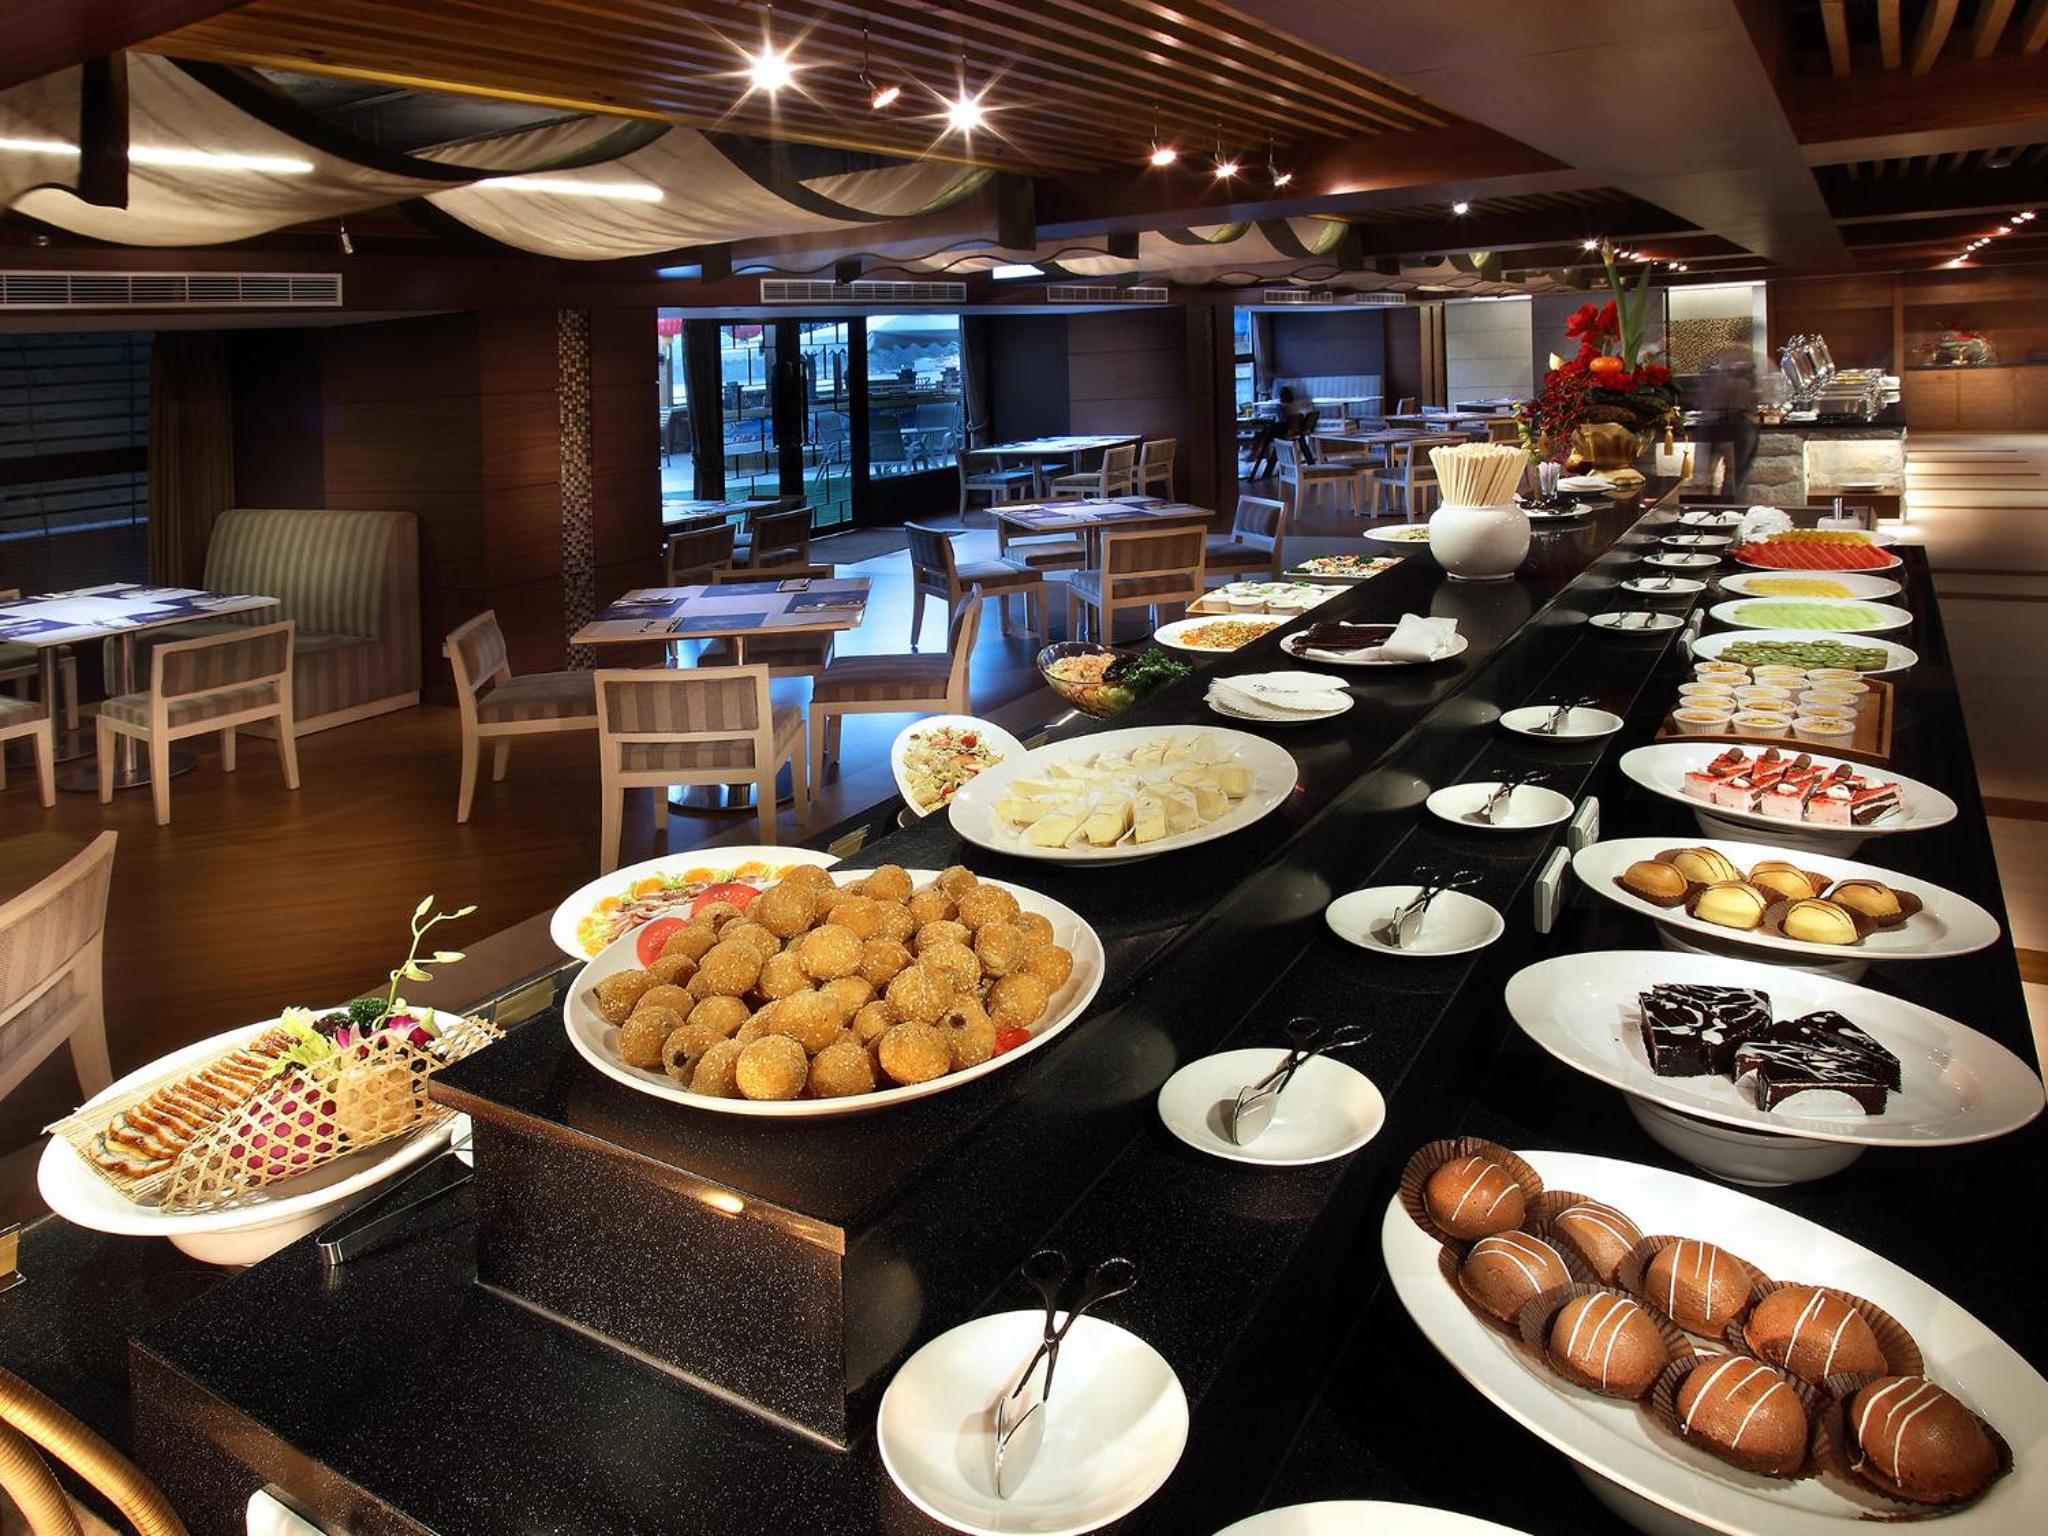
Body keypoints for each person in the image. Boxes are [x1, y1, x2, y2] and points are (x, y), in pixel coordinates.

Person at [1696, 347, 1759, 497]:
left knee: (1706, 477)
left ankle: (1709, 505)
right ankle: (1726, 505)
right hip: (1732, 428)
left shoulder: (1714, 377)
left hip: (1714, 427)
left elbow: (1702, 400)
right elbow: (1750, 402)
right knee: (1732, 476)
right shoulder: (1739, 381)